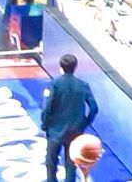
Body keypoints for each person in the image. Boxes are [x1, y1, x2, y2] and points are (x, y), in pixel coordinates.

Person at [39, 54, 98, 182]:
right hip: (75, 132)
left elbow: (47, 107)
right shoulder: (83, 85)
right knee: (71, 165)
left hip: (55, 131)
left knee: (51, 163)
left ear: (61, 67)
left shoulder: (54, 84)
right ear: (75, 67)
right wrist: (84, 124)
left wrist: (45, 124)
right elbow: (94, 108)